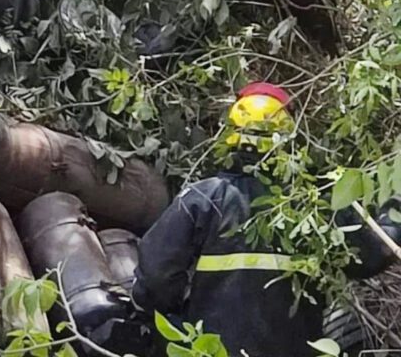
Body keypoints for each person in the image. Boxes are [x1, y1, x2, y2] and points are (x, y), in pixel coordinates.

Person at [131, 82, 400, 356]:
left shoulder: (204, 199)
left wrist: (175, 320)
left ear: (232, 136)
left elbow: (154, 279)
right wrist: (396, 207)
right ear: (289, 140)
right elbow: (373, 254)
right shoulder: (313, 207)